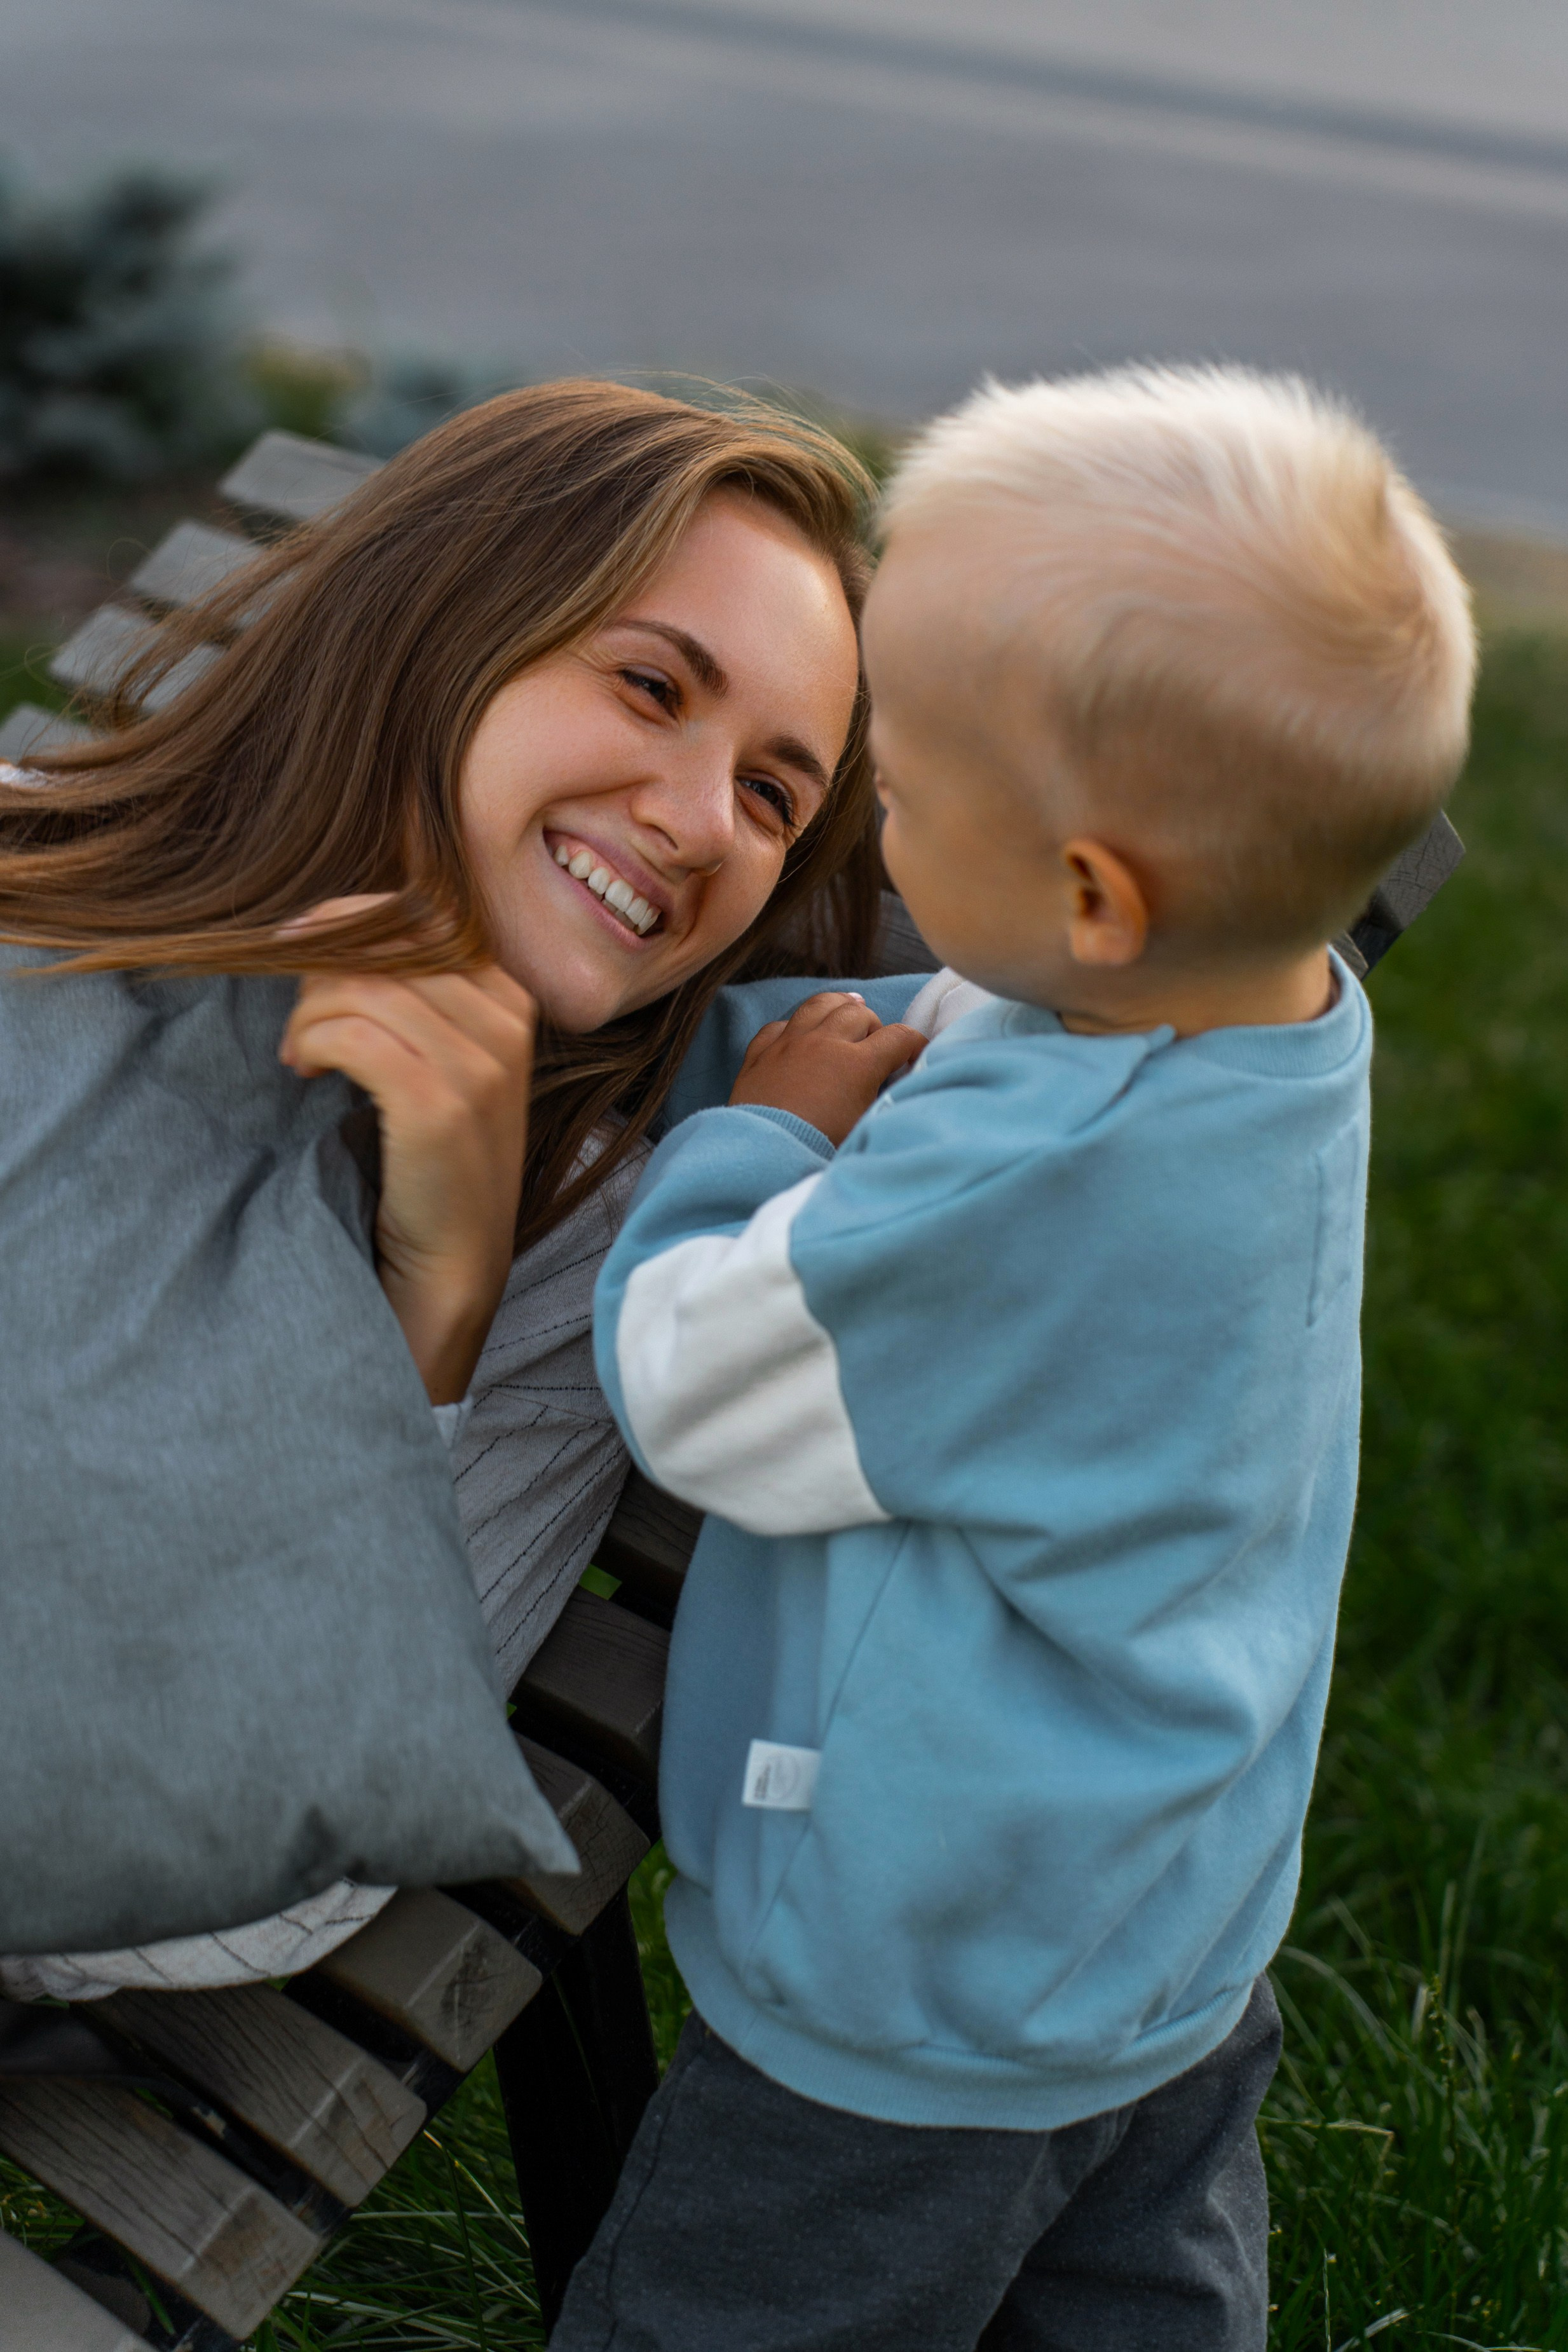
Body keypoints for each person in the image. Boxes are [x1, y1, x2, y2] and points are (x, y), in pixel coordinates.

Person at [573, 365, 1477, 2351]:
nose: (871, 819)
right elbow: (998, 1020)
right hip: (1165, 1910)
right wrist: (814, 1027)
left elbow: (688, 1375)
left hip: (915, 1984)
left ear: (1085, 891)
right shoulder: (1270, 1001)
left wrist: (760, 1144)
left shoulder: (1007, 1223)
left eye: (900, 793)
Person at [0, 379, 917, 1997]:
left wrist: (434, 1312)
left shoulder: (580, 1263)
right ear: (437, 631)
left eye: (773, 794)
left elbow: (231, 1898)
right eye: (649, 685)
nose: (704, 820)